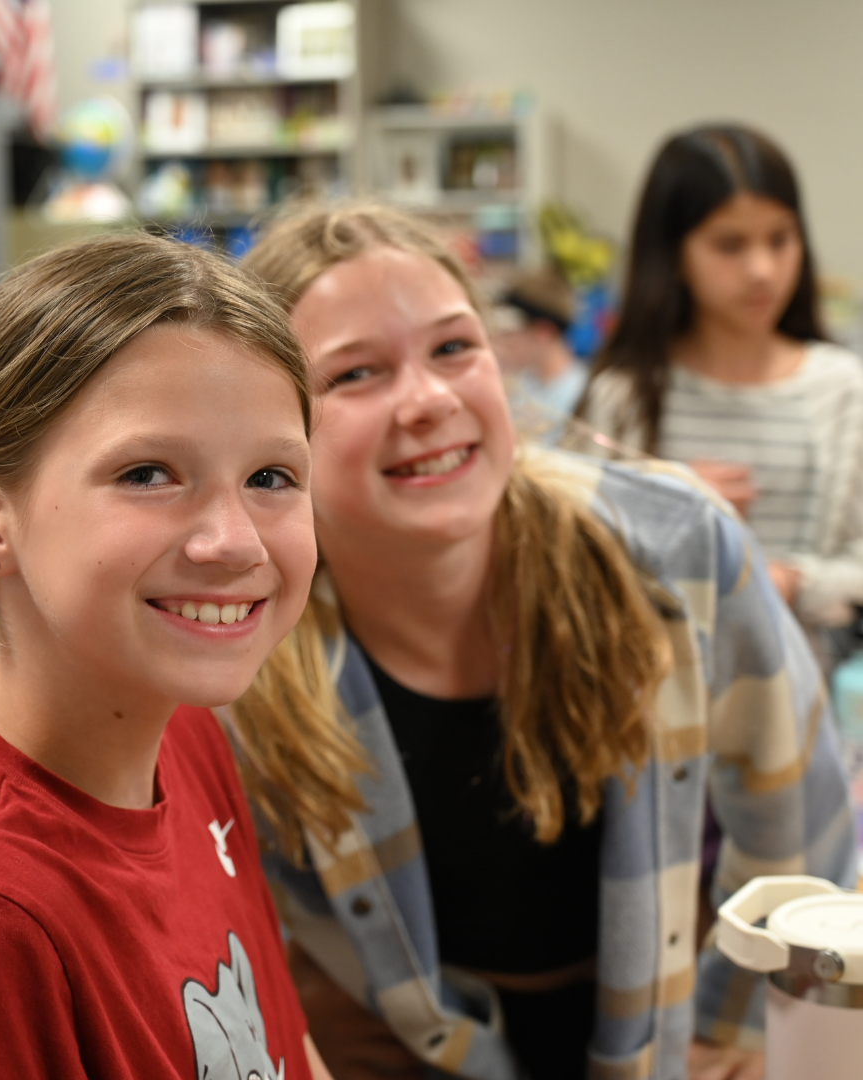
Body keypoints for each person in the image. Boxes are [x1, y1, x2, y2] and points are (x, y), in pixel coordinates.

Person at [226, 204, 857, 1080]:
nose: (429, 401)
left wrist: (732, 1024)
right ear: (272, 432)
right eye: (358, 373)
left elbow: (795, 814)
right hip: (412, 1040)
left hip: (663, 1019)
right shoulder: (244, 641)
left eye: (454, 348)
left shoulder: (673, 549)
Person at [0, 234, 333, 1080]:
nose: (233, 541)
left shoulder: (183, 727)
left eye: (272, 478)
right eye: (149, 473)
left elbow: (285, 1044)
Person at [575, 124, 863, 652]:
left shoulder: (842, 389)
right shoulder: (623, 398)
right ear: (673, 254)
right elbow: (567, 560)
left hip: (804, 710)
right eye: (729, 245)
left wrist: (792, 582)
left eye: (781, 238)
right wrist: (660, 508)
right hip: (652, 708)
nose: (762, 270)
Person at [491, 267, 588, 422]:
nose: (500, 342)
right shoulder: (519, 388)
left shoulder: (584, 397)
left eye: (509, 332)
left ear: (544, 332)